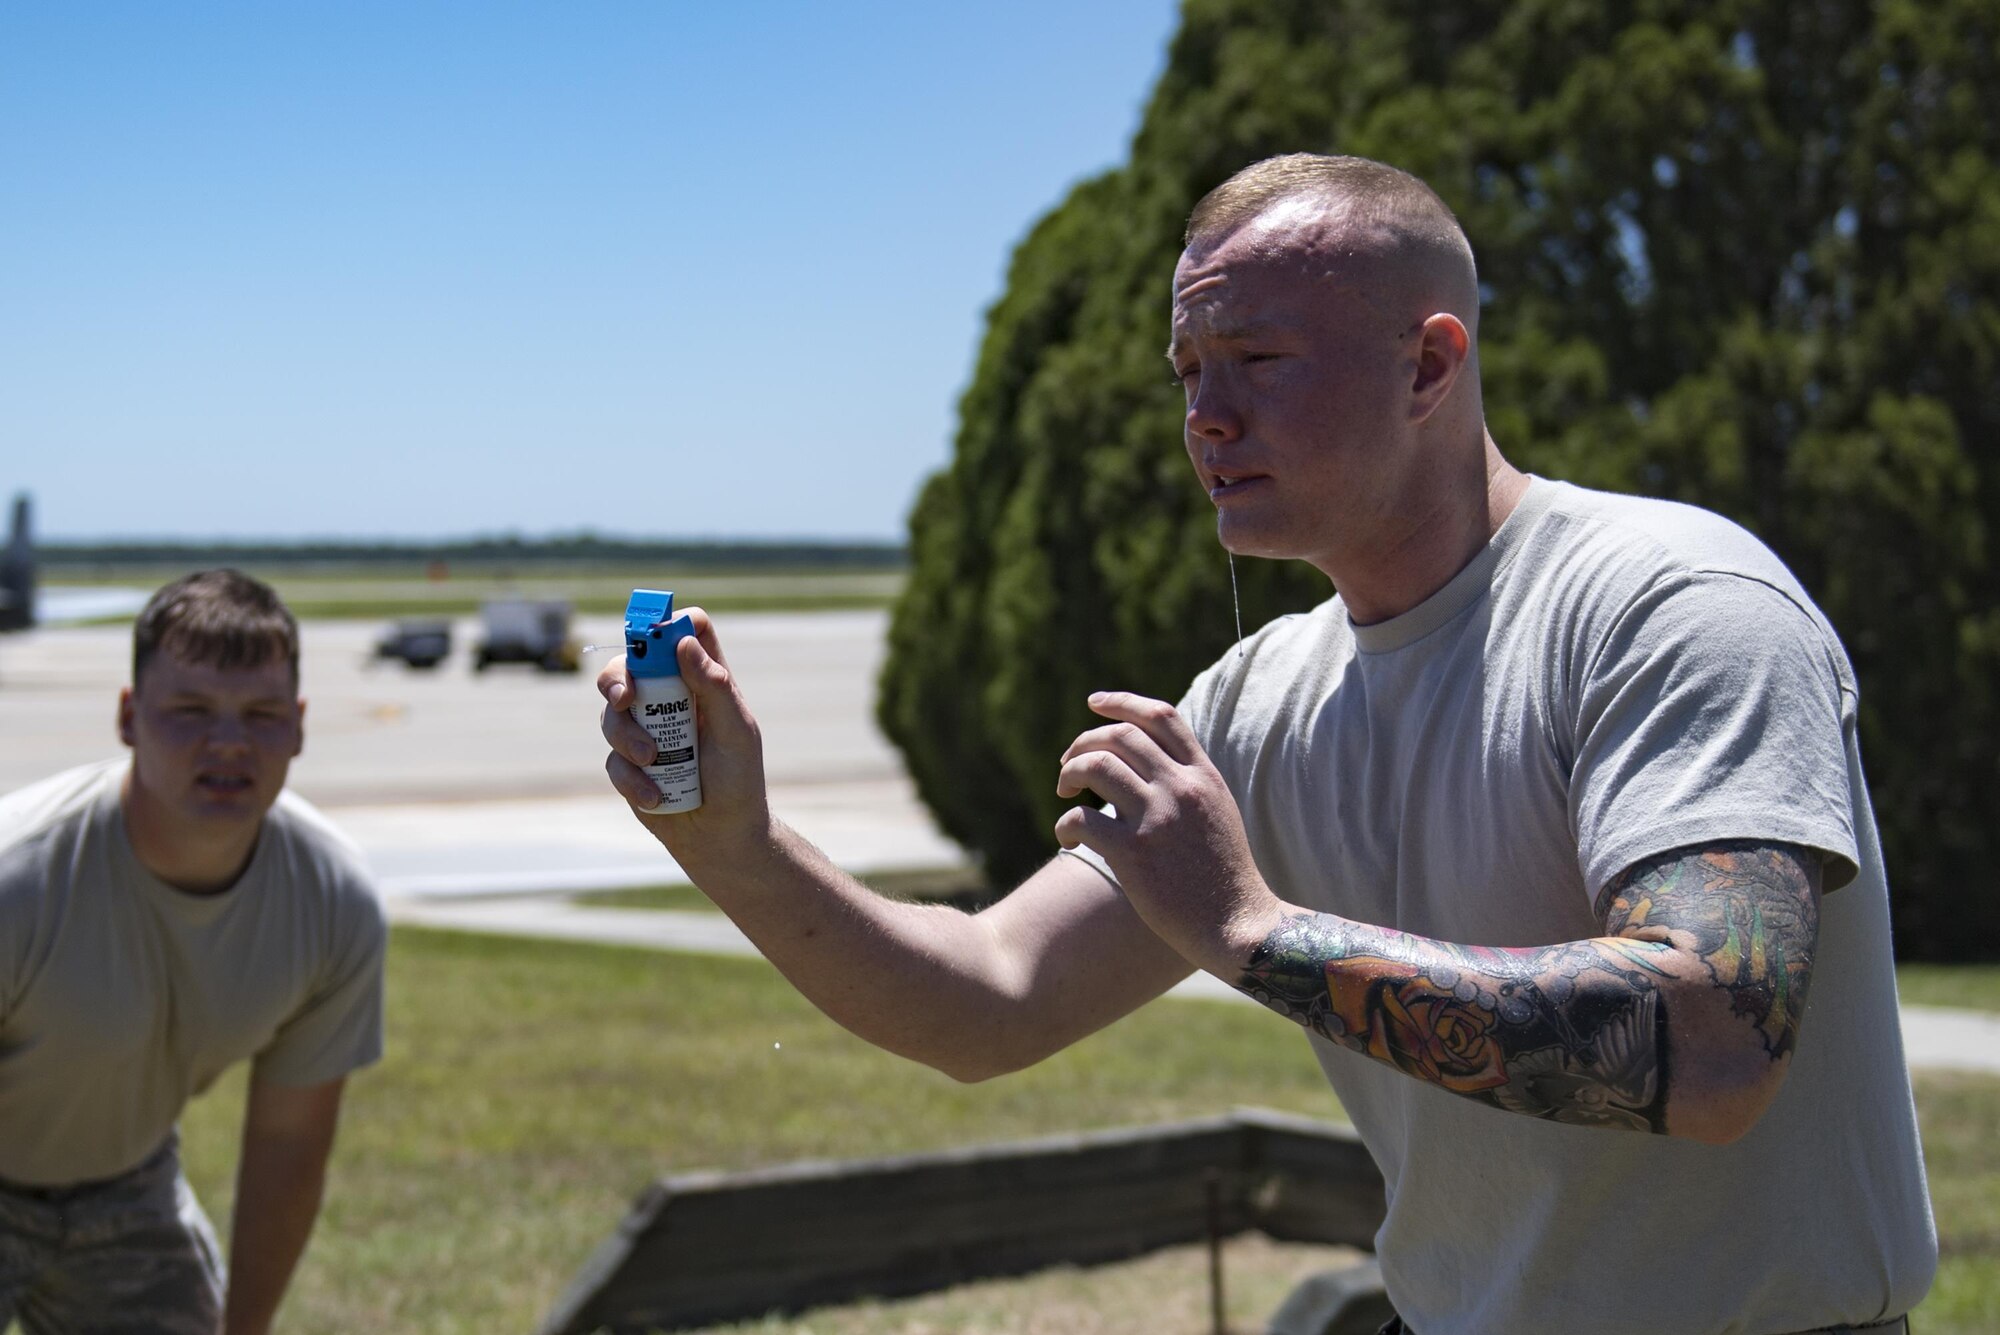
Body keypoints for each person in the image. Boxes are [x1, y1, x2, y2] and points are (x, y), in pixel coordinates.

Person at [597, 154, 1935, 1333]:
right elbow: (988, 997)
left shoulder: (1672, 603)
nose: (1204, 416)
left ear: (1429, 365)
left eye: (1257, 359)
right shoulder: (1260, 694)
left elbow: (1710, 1044)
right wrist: (741, 847)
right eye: (1189, 369)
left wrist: (1245, 927)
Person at [0, 570, 387, 1335]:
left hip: (126, 1183)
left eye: (261, 713)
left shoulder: (331, 902)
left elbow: (287, 1146)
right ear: (128, 716)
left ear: (300, 725)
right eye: (190, 710)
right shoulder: (20, 880)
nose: (229, 743)